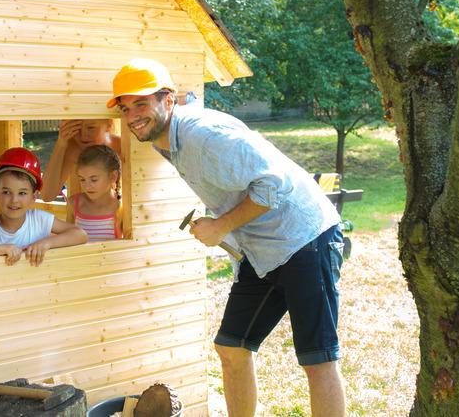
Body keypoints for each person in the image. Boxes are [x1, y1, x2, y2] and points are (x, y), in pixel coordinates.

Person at [108, 58, 346, 416]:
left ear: (167, 101)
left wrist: (221, 226)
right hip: (263, 250)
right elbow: (189, 104)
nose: (132, 116)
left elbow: (274, 184)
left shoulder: (203, 136)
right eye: (126, 109)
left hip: (305, 238)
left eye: (141, 104)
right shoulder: (161, 135)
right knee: (232, 348)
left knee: (318, 359)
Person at [0, 147, 88, 266]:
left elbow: (80, 234)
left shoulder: (39, 220)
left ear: (34, 196)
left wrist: (46, 243)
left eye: (22, 193)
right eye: (6, 192)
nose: (14, 200)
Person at [40, 119, 122, 202]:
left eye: (91, 128)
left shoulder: (122, 145)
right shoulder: (72, 149)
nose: (83, 136)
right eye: (76, 129)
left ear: (108, 126)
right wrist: (61, 144)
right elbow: (46, 196)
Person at [66, 145, 123, 241]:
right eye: (82, 180)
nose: (87, 186)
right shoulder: (74, 204)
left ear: (113, 176)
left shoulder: (120, 207)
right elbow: (67, 238)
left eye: (94, 180)